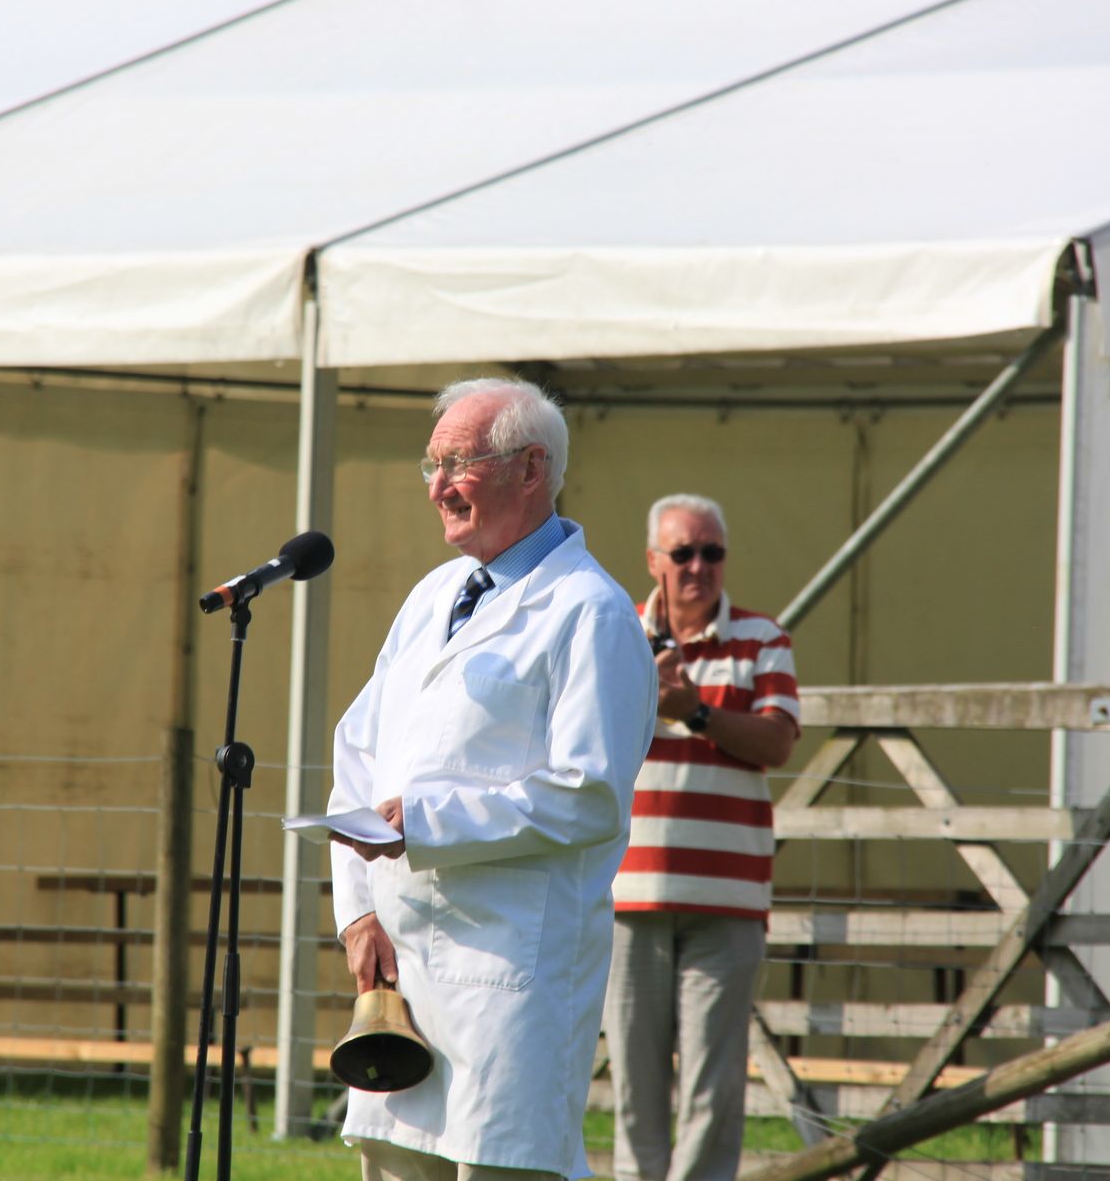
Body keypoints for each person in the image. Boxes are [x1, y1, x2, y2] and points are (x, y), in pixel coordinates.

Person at [327, 377, 658, 1181]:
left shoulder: (591, 613)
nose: (438, 486)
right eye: (431, 464)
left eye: (459, 464)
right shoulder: (431, 598)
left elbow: (589, 795)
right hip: (401, 976)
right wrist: (358, 912)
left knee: (501, 1167)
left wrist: (430, 823)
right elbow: (358, 751)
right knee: (396, 1164)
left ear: (530, 469)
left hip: (509, 981)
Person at [604, 494, 800, 1181]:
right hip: (628, 898)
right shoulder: (612, 632)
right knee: (633, 1093)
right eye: (682, 553)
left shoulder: (764, 637)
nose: (698, 567)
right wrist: (641, 702)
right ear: (651, 561)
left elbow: (778, 741)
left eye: (711, 552)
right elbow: (576, 748)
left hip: (728, 901)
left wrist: (698, 713)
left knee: (714, 1095)